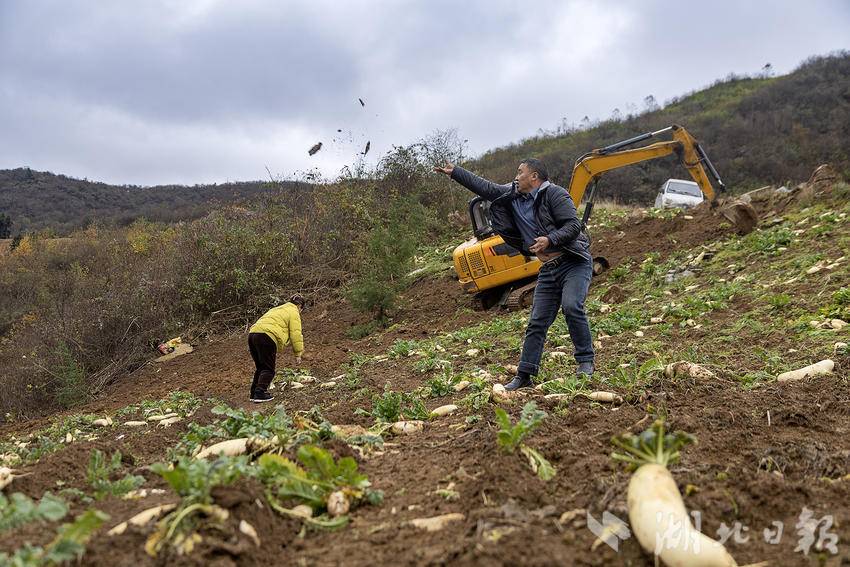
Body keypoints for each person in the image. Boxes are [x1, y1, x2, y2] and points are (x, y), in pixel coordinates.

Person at [435, 159, 594, 390]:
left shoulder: (555, 195)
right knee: (537, 322)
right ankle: (525, 374)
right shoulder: (511, 194)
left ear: (534, 177)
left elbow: (573, 227)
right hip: (548, 268)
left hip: (573, 263)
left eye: (520, 172)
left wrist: (550, 239)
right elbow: (486, 188)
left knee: (571, 306)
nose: (516, 176)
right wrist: (455, 173)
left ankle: (585, 362)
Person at [247, 294, 305, 402]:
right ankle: (260, 393)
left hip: (253, 334)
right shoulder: (294, 312)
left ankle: (254, 393)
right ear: (300, 306)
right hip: (267, 336)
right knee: (269, 369)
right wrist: (298, 353)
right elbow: (296, 334)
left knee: (261, 367)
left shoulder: (278, 309)